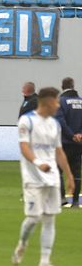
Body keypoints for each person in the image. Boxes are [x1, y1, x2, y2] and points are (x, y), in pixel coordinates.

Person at [14, 86, 74, 266]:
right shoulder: (27, 120)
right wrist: (38, 163)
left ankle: (45, 261)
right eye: (56, 101)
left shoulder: (54, 124)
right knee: (34, 218)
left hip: (52, 177)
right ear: (48, 102)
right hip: (33, 177)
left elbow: (58, 151)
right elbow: (24, 147)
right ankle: (22, 243)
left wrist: (69, 175)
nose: (58, 105)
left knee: (50, 219)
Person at [56, 77, 82, 209]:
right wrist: (79, 135)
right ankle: (76, 201)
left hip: (65, 143)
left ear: (62, 86)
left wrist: (71, 136)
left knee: (58, 170)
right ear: (73, 86)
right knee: (76, 172)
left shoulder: (61, 101)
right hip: (79, 143)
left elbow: (61, 122)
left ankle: (61, 199)